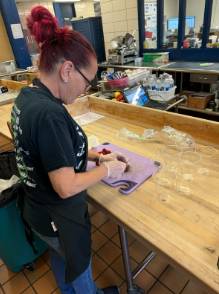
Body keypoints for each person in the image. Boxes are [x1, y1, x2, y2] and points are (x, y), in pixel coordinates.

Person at [11, 6, 128, 294]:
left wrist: (95, 156)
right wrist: (106, 169)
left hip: (37, 210)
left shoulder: (28, 96)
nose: (85, 91)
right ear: (67, 70)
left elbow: (47, 149)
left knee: (61, 257)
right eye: (87, 82)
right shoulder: (48, 113)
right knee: (79, 263)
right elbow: (65, 186)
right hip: (57, 216)